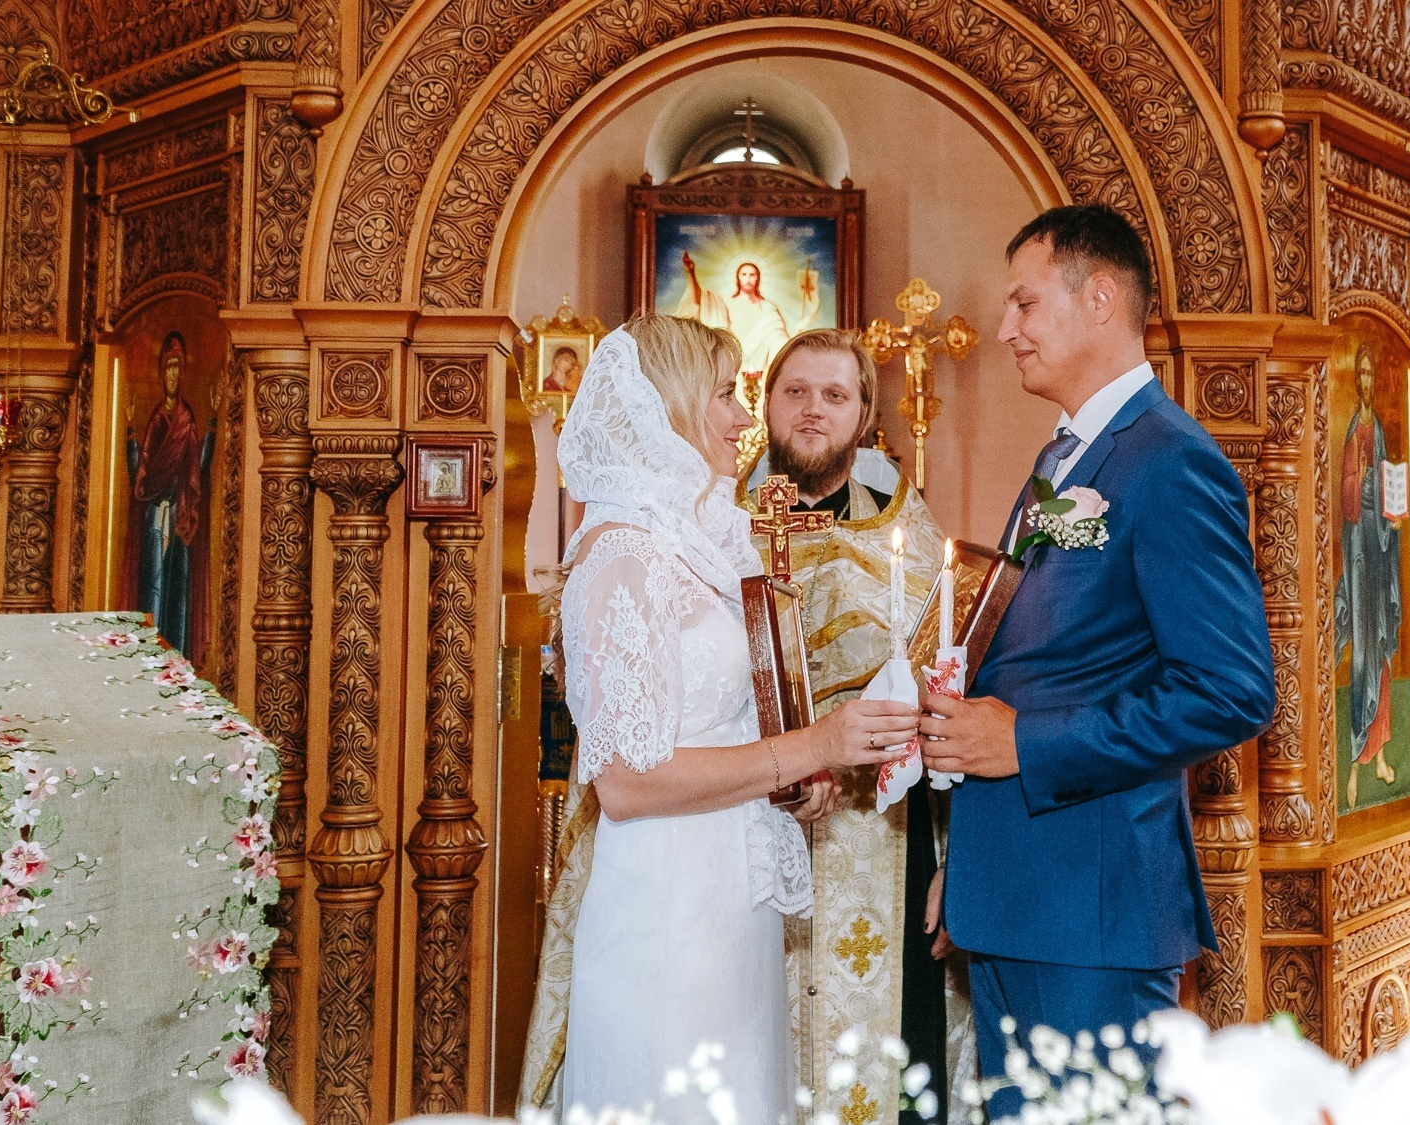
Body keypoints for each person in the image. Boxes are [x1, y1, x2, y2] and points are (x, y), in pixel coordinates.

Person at [517, 315, 921, 1122]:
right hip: (665, 907)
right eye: (725, 395)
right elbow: (627, 783)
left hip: (729, 898)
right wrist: (811, 745)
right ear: (668, 404)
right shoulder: (621, 555)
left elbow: (732, 713)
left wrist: (792, 777)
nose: (744, 420)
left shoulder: (701, 541)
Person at [919, 205, 1275, 1118]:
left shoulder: (1170, 461)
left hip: (1091, 914)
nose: (1006, 329)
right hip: (1017, 897)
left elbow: (1231, 688)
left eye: (1025, 304)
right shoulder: (1065, 454)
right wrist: (967, 862)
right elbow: (1036, 662)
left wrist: (1027, 743)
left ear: (1101, 299)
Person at [743, 329, 968, 1124]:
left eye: (835, 395)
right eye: (795, 390)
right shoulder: (712, 535)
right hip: (737, 841)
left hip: (879, 842)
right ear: (763, 404)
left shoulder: (910, 545)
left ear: (866, 416)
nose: (812, 410)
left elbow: (945, 703)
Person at [1334, 342, 1401, 807]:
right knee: (1362, 646)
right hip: (1359, 548)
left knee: (1379, 644)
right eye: (1360, 373)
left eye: (1372, 374)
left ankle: (1379, 751)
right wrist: (1363, 485)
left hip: (1380, 547)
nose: (1366, 381)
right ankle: (1357, 754)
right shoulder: (1354, 428)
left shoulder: (1376, 425)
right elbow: (1346, 491)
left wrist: (1393, 510)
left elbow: (1385, 480)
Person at [129, 333, 213, 660]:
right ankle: (148, 654)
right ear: (162, 373)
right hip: (155, 514)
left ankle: (175, 655)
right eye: (169, 368)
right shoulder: (156, 420)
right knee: (153, 581)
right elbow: (145, 465)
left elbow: (197, 468)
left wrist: (215, 428)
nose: (173, 376)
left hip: (179, 515)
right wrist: (128, 441)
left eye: (178, 369)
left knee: (176, 585)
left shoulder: (187, 420)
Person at [676, 254, 821, 376]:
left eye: (752, 275)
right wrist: (691, 274)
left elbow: (778, 343)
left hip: (759, 378)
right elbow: (699, 300)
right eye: (744, 274)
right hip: (729, 374)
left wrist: (794, 341)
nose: (748, 278)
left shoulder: (768, 309)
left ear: (758, 278)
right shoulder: (724, 303)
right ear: (738, 278)